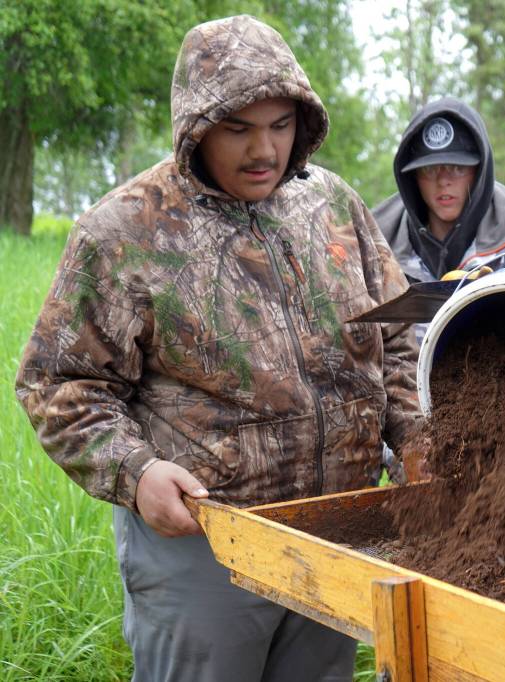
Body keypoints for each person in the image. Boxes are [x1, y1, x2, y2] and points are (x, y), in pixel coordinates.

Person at [16, 15, 421, 682]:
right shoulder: (125, 231)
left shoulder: (333, 206)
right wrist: (138, 473)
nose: (265, 149)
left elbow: (399, 334)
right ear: (197, 128)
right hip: (205, 550)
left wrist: (414, 438)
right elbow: (59, 383)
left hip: (337, 535)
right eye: (239, 128)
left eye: (281, 125)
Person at [373, 97, 505, 286]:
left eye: (457, 168)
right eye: (430, 169)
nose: (443, 181)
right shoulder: (374, 238)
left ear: (479, 172)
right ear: (412, 177)